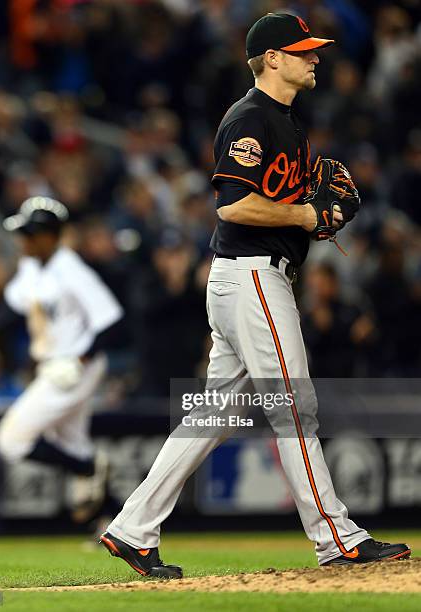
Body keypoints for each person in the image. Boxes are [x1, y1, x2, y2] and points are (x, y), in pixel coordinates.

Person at [99, 13, 410, 577]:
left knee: (211, 415)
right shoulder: (251, 119)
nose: (315, 58)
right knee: (295, 406)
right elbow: (233, 205)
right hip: (252, 276)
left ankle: (132, 527)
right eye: (303, 51)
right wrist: (307, 213)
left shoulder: (287, 122)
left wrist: (311, 216)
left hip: (250, 277)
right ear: (273, 58)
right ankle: (335, 536)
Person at [0, 196, 123, 522]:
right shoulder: (32, 267)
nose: (22, 240)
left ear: (49, 235)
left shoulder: (72, 270)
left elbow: (110, 320)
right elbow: (15, 304)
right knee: (73, 445)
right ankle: (116, 523)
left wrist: (79, 361)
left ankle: (91, 468)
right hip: (54, 366)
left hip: (73, 368)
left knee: (11, 440)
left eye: (29, 233)